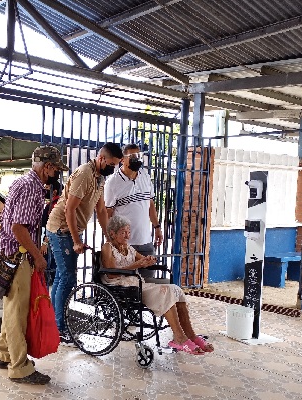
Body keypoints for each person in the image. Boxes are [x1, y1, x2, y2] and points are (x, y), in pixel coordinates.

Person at [0, 145, 68, 385]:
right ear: (47, 166)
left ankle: (5, 353)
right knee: (18, 314)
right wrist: (37, 256)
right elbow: (19, 228)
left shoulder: (22, 182)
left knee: (11, 309)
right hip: (19, 257)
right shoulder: (31, 187)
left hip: (9, 255)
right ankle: (20, 367)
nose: (57, 172)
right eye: (56, 168)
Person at [100, 215, 214, 355]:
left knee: (176, 290)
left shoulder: (129, 248)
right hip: (120, 286)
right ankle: (178, 338)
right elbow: (111, 274)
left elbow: (142, 260)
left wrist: (148, 260)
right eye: (123, 232)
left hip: (135, 283)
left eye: (129, 232)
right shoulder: (107, 247)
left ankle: (191, 335)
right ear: (112, 233)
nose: (127, 235)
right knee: (166, 291)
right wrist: (136, 265)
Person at [45, 142, 122, 342]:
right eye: (113, 163)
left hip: (70, 230)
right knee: (68, 278)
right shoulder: (84, 174)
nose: (114, 168)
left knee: (63, 277)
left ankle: (54, 322)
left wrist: (109, 237)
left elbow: (101, 211)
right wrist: (77, 241)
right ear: (102, 158)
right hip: (61, 228)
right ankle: (60, 327)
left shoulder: (99, 178)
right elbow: (69, 209)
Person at [105, 143, 164, 281]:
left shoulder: (145, 176)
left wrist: (157, 227)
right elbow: (107, 214)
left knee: (148, 283)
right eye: (132, 156)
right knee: (128, 284)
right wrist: (111, 240)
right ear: (123, 160)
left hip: (145, 242)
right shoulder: (112, 183)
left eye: (139, 155)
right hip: (125, 244)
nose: (137, 159)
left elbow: (150, 204)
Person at [40, 182, 62, 286]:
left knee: (51, 269)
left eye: (47, 188)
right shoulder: (54, 203)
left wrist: (45, 243)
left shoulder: (54, 205)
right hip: (53, 239)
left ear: (54, 191)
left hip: (52, 240)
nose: (45, 190)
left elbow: (52, 226)